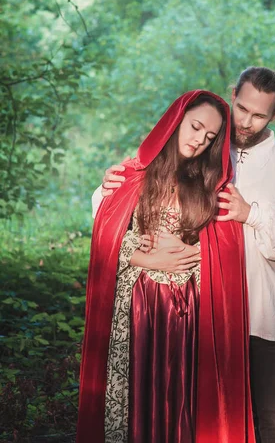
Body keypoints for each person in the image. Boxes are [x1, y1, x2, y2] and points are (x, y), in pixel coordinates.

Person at [94, 68, 275, 443]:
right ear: (232, 95)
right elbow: (129, 201)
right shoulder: (204, 149)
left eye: (259, 115)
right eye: (242, 108)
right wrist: (111, 185)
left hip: (262, 313)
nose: (247, 122)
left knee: (273, 419)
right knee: (207, 416)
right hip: (203, 314)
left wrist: (253, 213)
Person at [77, 90, 255, 443]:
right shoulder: (132, 176)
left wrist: (199, 254)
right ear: (175, 121)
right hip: (139, 307)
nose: (199, 140)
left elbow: (226, 251)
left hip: (188, 313)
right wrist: (146, 257)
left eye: (209, 137)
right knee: (139, 391)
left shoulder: (211, 187)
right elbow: (106, 238)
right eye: (194, 127)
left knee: (181, 398)